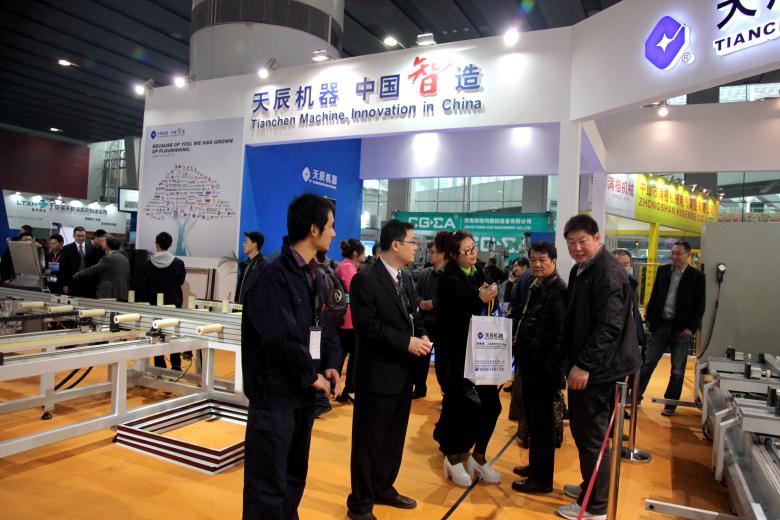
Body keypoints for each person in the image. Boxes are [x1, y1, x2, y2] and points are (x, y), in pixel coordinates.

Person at [241, 193, 341, 520]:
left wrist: (331, 365)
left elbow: (323, 325)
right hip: (275, 397)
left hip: (302, 395)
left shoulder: (315, 274)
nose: (333, 233)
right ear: (313, 229)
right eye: (330, 226)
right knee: (268, 484)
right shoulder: (272, 276)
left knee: (294, 476)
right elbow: (278, 337)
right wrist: (310, 374)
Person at [347, 219, 430, 520]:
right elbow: (367, 326)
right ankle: (360, 503)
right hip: (376, 376)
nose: (416, 247)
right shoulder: (365, 279)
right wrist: (406, 342)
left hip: (402, 374)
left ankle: (383, 487)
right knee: (369, 442)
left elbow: (413, 315)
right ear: (395, 245)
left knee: (394, 439)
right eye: (412, 242)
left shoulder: (405, 279)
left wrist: (422, 335)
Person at [559, 215, 640, 520]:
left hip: (600, 371)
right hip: (591, 365)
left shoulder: (607, 273)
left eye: (582, 241)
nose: (577, 248)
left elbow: (609, 326)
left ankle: (596, 507)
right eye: (571, 242)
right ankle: (589, 488)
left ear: (596, 238)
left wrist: (583, 365)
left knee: (593, 438)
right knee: (584, 433)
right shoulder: (582, 269)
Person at [433, 230, 502, 488]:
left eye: (474, 248)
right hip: (456, 355)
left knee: (492, 405)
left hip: (482, 351)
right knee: (459, 405)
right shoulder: (447, 279)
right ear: (453, 255)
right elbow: (451, 317)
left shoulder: (480, 273)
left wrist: (490, 296)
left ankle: (478, 456)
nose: (473, 254)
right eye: (467, 250)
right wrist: (477, 299)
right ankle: (452, 457)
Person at [510, 241, 567, 495]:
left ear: (553, 261)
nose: (537, 264)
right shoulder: (537, 285)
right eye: (533, 259)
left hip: (544, 369)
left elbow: (560, 336)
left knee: (543, 425)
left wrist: (550, 368)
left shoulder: (558, 291)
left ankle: (541, 480)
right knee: (533, 420)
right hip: (531, 364)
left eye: (542, 260)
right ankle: (535, 467)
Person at [637, 241, 705, 416]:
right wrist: (649, 318)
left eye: (679, 253)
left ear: (688, 254)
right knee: (647, 364)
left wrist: (691, 328)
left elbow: (699, 306)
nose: (675, 257)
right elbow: (654, 296)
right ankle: (635, 396)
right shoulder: (663, 271)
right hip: (660, 326)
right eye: (673, 253)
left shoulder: (697, 277)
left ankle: (670, 403)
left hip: (681, 330)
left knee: (677, 370)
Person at [145, 231, 187, 371]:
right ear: (170, 245)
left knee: (157, 334)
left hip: (154, 304)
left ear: (156, 245)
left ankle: (159, 366)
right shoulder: (178, 263)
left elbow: (146, 283)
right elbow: (180, 281)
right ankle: (176, 366)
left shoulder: (149, 264)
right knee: (173, 334)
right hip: (173, 303)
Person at [413, 232, 448, 396]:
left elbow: (451, 297)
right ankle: (419, 388)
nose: (429, 254)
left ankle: (446, 393)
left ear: (442, 254)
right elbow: (416, 293)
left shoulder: (449, 275)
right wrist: (420, 301)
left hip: (442, 324)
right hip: (424, 323)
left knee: (442, 361)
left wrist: (434, 302)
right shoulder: (424, 273)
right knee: (420, 358)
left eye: (433, 252)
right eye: (429, 252)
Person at [334, 238, 365, 403]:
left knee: (344, 355)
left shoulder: (348, 265)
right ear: (355, 253)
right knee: (350, 355)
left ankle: (343, 389)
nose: (364, 255)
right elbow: (354, 290)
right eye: (363, 252)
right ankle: (347, 389)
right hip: (348, 320)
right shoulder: (347, 267)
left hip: (348, 319)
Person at [73, 235, 129, 300]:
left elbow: (94, 269)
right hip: (122, 292)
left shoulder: (108, 258)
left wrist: (78, 274)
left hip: (109, 293)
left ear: (108, 246)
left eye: (104, 242)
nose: (101, 244)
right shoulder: (124, 258)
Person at [613, 250, 647, 351]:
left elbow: (634, 311)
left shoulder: (632, 285)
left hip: (630, 337)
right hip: (613, 338)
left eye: (625, 264)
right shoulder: (603, 286)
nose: (622, 268)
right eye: (617, 265)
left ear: (630, 265)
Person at [58, 226, 98, 296]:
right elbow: (63, 268)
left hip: (88, 282)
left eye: (83, 236)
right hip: (72, 281)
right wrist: (65, 284)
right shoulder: (67, 249)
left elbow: (95, 265)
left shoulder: (92, 248)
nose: (81, 238)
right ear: (73, 236)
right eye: (78, 236)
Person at [236, 231, 267, 304]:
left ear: (254, 245)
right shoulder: (246, 264)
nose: (243, 245)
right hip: (241, 307)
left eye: (246, 242)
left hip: (254, 308)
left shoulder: (264, 265)